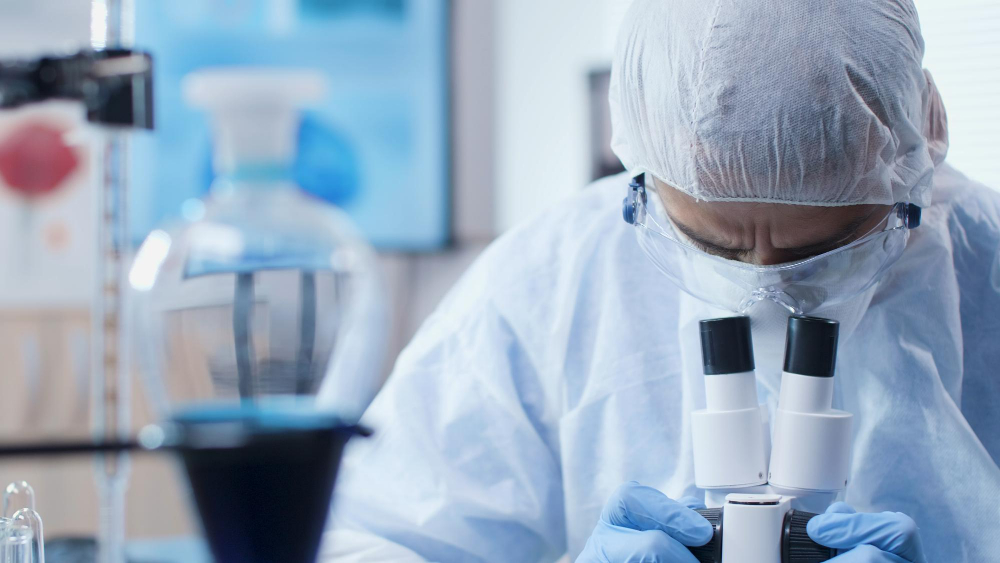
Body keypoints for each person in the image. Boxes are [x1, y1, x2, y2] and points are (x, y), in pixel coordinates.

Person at [319, 0, 1000, 561]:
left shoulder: (987, 272)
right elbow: (362, 538)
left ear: (912, 170)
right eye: (712, 246)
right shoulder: (551, 281)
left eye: (821, 251)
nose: (763, 296)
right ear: (643, 178)